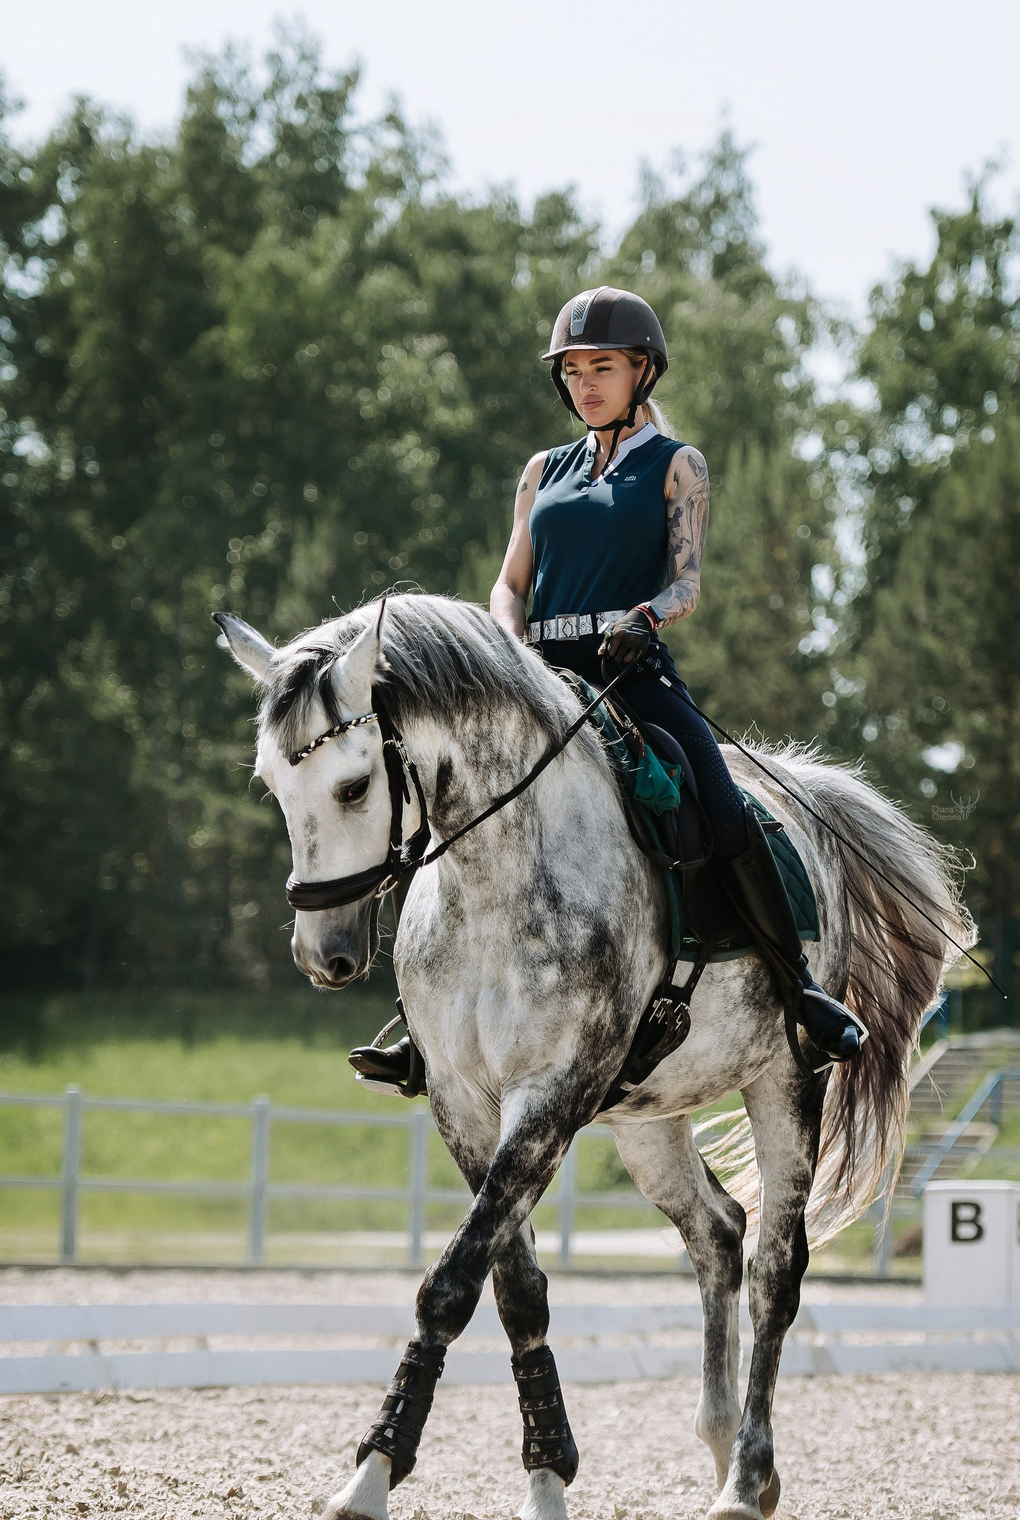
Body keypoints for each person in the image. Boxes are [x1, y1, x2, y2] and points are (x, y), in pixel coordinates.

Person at [350, 287, 862, 1092]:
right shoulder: (541, 472)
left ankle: (799, 988)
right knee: (446, 806)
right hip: (536, 676)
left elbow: (688, 581)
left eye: (604, 368)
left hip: (631, 670)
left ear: (641, 372)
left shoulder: (677, 465)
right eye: (575, 371)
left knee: (720, 805)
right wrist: (504, 647)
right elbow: (509, 584)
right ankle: (426, 1028)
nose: (587, 384)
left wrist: (645, 615)